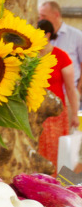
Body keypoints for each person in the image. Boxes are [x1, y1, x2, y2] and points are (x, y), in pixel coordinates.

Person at [37, 19, 80, 168]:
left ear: (47, 35)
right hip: (33, 113)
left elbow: (70, 89)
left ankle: (60, 185)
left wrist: (74, 114)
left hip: (56, 115)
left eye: (38, 34)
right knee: (36, 153)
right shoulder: (30, 56)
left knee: (57, 153)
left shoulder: (61, 56)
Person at [38, 0, 82, 89]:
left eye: (43, 16)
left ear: (56, 15)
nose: (40, 19)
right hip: (46, 95)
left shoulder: (77, 35)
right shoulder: (39, 36)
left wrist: (79, 90)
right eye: (40, 16)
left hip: (69, 94)